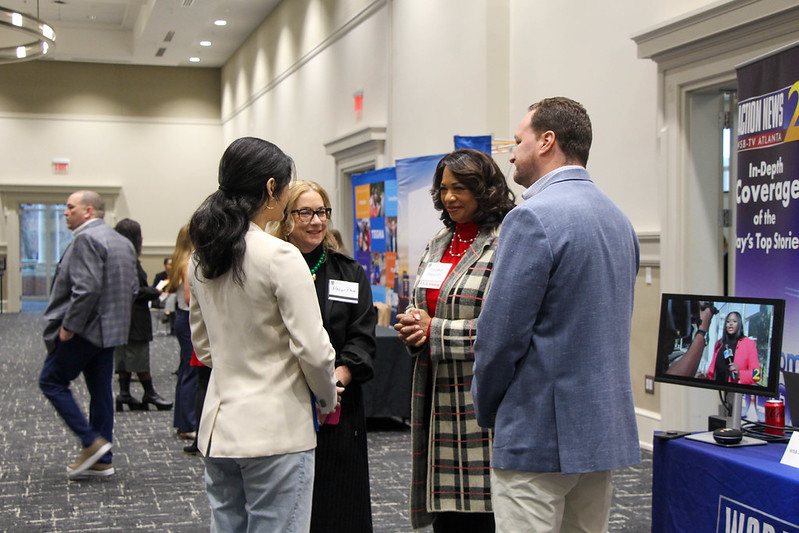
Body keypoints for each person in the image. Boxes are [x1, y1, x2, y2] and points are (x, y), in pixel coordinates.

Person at [471, 97, 641, 533]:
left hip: (537, 433)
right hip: (601, 431)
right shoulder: (619, 218)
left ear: (547, 141)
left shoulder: (531, 217)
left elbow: (499, 337)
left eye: (519, 140)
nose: (510, 152)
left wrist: (489, 408)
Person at [188, 137, 338, 532]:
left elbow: (203, 348)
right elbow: (314, 349)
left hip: (219, 429)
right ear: (271, 188)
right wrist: (326, 397)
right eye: (285, 186)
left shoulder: (202, 256)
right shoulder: (280, 256)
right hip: (276, 432)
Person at [393, 148, 515, 532]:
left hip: (480, 400)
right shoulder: (439, 242)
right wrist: (413, 327)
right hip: (434, 397)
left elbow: (505, 330)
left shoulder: (506, 242)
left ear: (485, 189)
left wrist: (433, 331)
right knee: (446, 514)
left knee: (483, 513)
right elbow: (420, 303)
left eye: (460, 187)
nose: (449, 197)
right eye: (443, 189)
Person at [270, 180, 377, 533]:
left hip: (339, 403)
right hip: (284, 399)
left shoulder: (349, 271)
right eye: (305, 213)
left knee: (339, 503)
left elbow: (362, 338)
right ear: (286, 218)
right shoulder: (269, 267)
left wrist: (336, 379)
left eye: (322, 212)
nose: (316, 221)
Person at [39, 190, 138, 479]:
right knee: (101, 393)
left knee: (51, 381)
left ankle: (89, 440)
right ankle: (102, 460)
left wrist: (69, 327)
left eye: (70, 208)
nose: (65, 212)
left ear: (89, 212)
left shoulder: (86, 239)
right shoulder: (122, 241)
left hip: (84, 331)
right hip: (111, 332)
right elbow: (131, 288)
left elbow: (87, 289)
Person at [113, 219, 173, 412]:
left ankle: (124, 394)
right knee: (139, 356)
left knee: (123, 355)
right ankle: (149, 393)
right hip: (135, 317)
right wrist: (154, 292)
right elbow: (134, 291)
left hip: (122, 317)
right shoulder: (128, 258)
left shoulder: (116, 256)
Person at [164, 224, 196, 440]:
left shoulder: (178, 261)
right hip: (188, 319)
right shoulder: (189, 262)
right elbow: (188, 297)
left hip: (181, 319)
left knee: (186, 370)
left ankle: (182, 421)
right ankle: (188, 423)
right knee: (191, 372)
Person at [705, 311, 761, 384]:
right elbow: (711, 371)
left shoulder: (749, 344)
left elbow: (757, 375)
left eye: (734, 321)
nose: (730, 324)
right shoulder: (719, 343)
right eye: (728, 322)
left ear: (739, 324)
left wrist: (740, 374)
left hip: (734, 392)